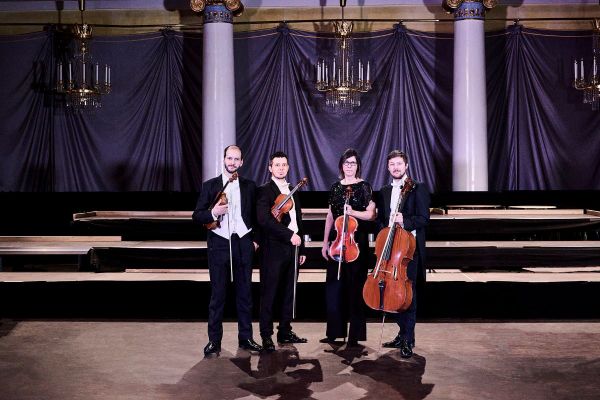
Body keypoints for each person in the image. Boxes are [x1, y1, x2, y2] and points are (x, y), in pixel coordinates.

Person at [192, 145, 263, 356]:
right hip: (219, 245)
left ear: (241, 162)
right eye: (229, 158)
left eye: (236, 159)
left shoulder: (250, 186)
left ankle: (246, 338)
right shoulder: (210, 185)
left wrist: (255, 241)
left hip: (243, 244)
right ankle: (214, 341)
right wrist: (212, 212)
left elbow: (259, 217)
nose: (232, 162)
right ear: (223, 159)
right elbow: (197, 215)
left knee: (245, 295)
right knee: (218, 295)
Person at [375, 150, 430, 358]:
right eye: (392, 164)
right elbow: (380, 220)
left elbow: (424, 219)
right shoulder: (384, 191)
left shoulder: (418, 188)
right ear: (388, 167)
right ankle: (402, 333)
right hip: (391, 250)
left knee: (408, 295)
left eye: (399, 163)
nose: (396, 167)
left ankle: (408, 340)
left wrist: (403, 221)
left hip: (409, 250)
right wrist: (385, 228)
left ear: (406, 165)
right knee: (392, 292)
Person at [320, 148, 376, 347]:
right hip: (337, 244)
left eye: (353, 163)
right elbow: (330, 216)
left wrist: (353, 212)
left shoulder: (364, 186)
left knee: (355, 289)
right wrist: (325, 242)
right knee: (334, 289)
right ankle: (334, 332)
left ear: (357, 166)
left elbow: (371, 214)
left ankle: (355, 335)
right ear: (341, 166)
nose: (349, 166)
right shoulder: (335, 187)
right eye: (346, 163)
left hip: (356, 244)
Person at [256, 151, 308, 352]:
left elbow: (298, 220)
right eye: (276, 165)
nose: (280, 168)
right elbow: (264, 220)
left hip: (293, 247)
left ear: (288, 167)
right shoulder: (264, 191)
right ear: (270, 168)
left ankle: (285, 331)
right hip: (274, 247)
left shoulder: (294, 190)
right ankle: (266, 335)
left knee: (289, 292)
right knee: (269, 292)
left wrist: (301, 246)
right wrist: (288, 236)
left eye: (283, 165)